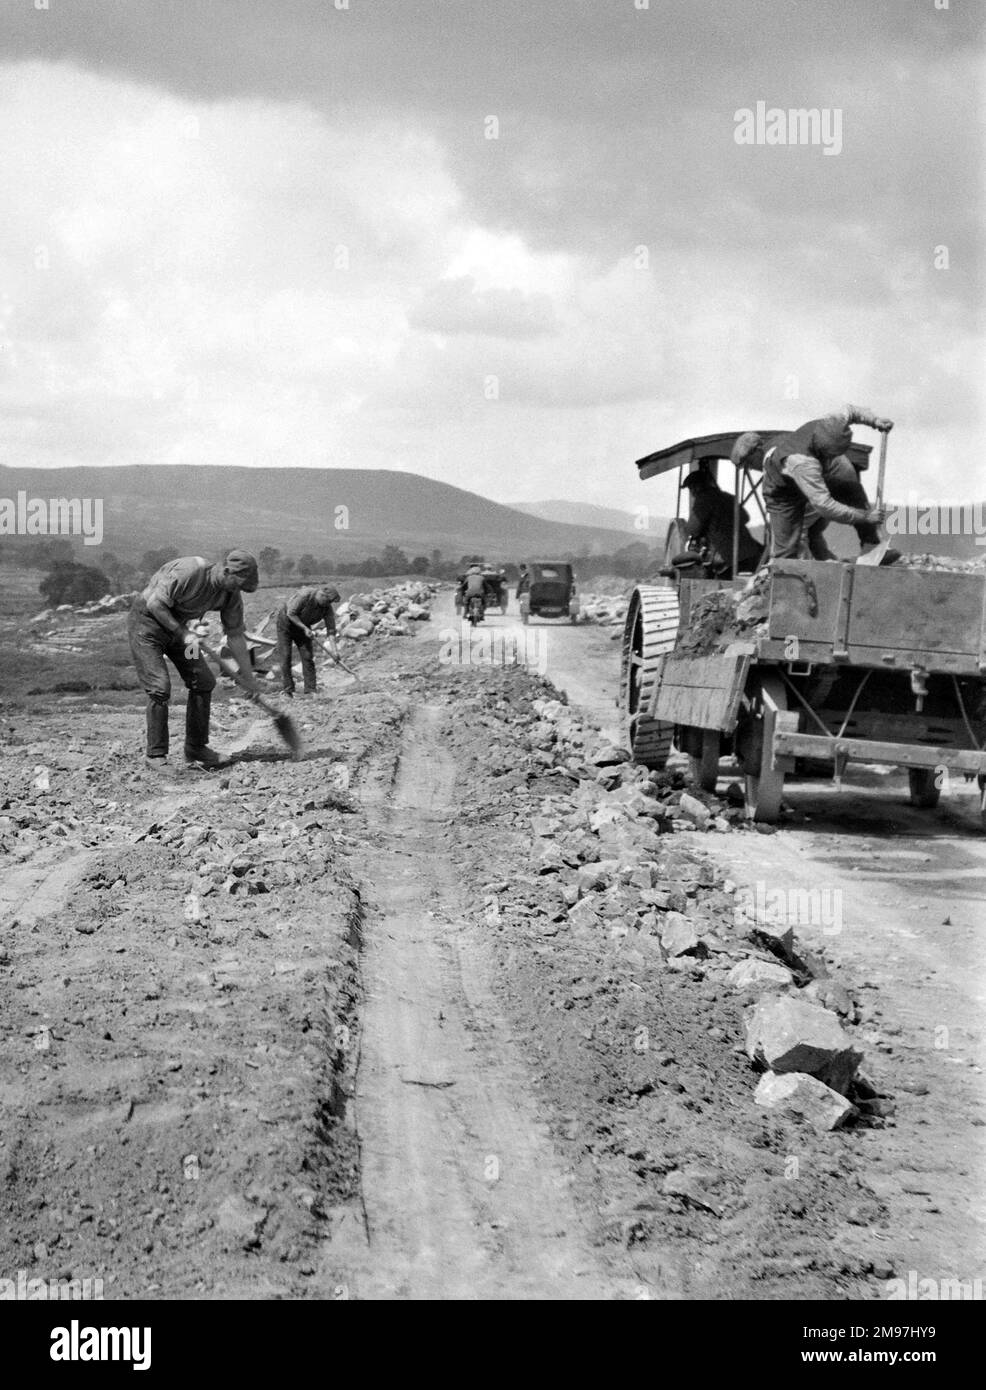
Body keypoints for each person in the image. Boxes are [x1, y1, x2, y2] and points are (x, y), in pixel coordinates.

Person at [128, 549, 260, 770]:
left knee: (204, 680)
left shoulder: (230, 595)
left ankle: (196, 748)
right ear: (226, 571)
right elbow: (155, 605)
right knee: (160, 687)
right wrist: (184, 633)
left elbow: (235, 636)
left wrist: (248, 677)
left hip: (180, 631)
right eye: (237, 584)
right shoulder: (191, 571)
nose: (238, 591)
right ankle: (156, 756)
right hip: (147, 626)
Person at [735, 407, 892, 561]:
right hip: (782, 495)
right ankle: (788, 579)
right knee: (787, 551)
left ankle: (874, 549)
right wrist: (865, 517)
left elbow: (851, 410)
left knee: (851, 490)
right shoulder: (803, 463)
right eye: (830, 455)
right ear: (821, 449)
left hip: (819, 473)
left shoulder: (831, 422)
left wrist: (875, 421)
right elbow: (825, 506)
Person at [680, 468, 762, 576]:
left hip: (730, 558)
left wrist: (684, 530)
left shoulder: (703, 499)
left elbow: (693, 530)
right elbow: (745, 517)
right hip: (751, 553)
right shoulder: (728, 497)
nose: (692, 493)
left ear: (695, 488)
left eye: (691, 489)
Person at [275, 584, 341, 697]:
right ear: (321, 594)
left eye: (330, 602)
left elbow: (331, 630)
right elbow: (291, 613)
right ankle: (288, 690)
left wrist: (334, 651)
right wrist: (305, 628)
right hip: (286, 624)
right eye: (327, 601)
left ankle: (310, 690)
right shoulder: (304, 596)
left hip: (303, 626)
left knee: (307, 657)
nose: (328, 604)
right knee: (285, 656)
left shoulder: (327, 608)